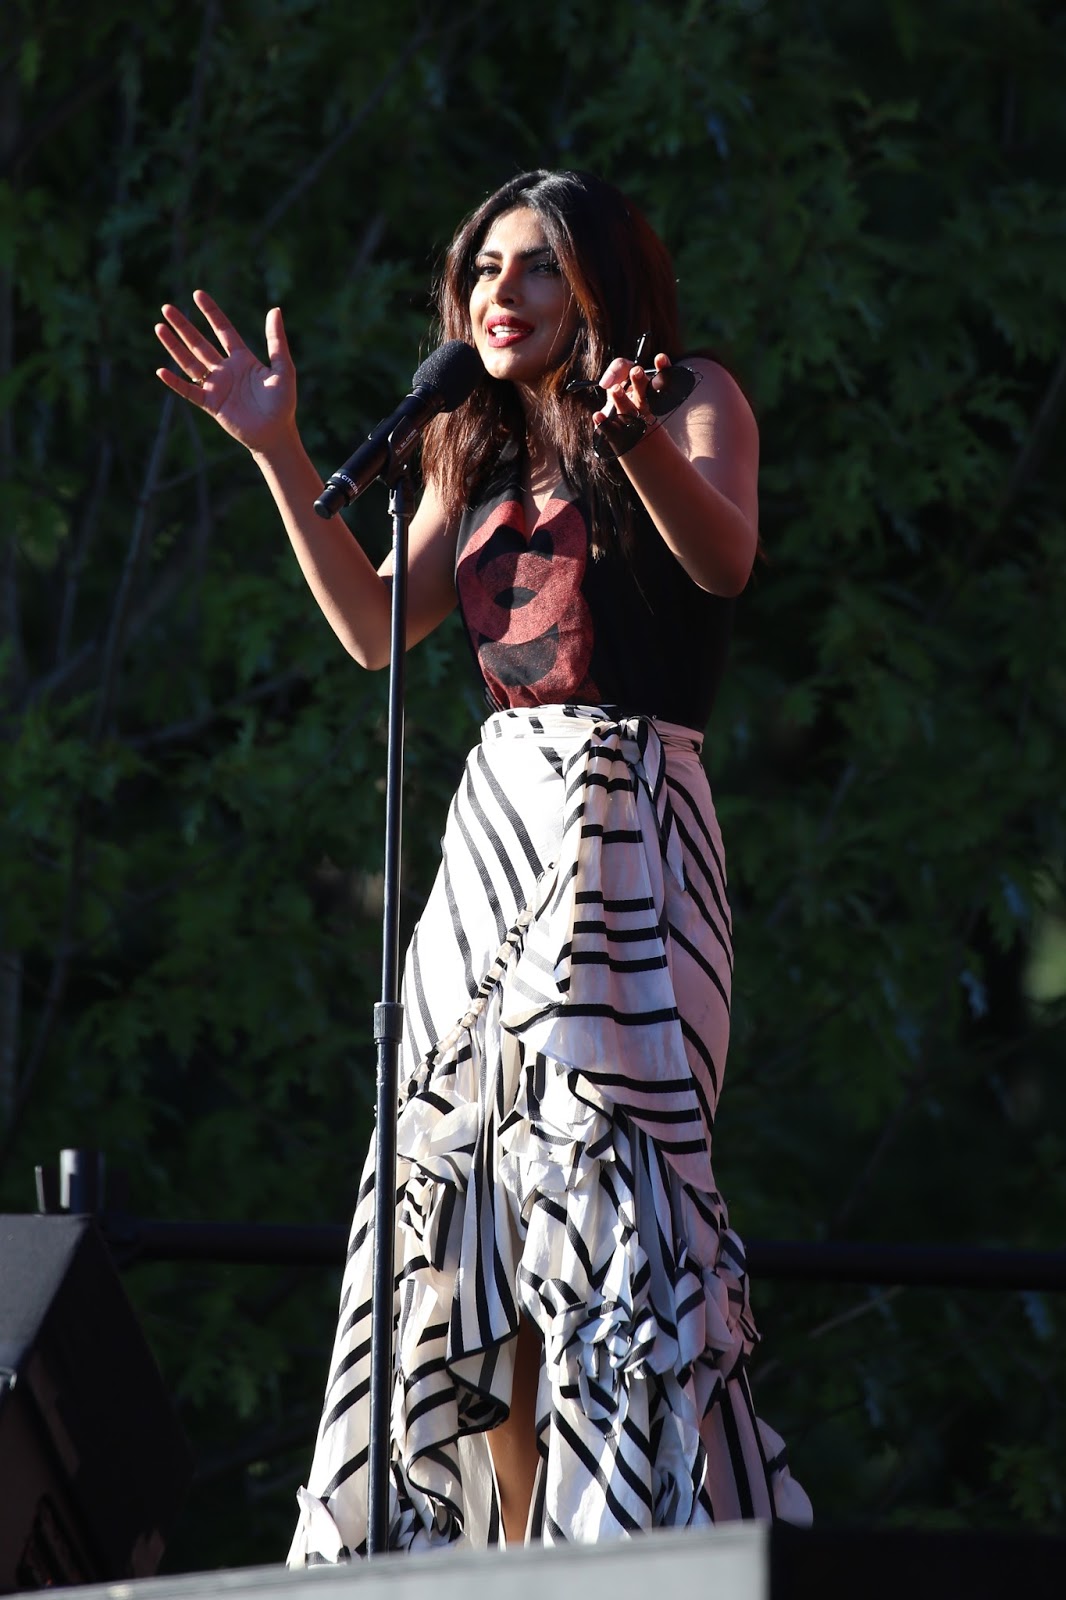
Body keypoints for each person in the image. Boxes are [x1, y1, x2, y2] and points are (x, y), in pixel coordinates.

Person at [155, 168, 812, 1556]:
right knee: (463, 1202)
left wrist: (631, 443)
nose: (497, 297)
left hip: (628, 811)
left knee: (602, 1178)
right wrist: (278, 451)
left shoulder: (691, 395)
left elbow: (725, 563)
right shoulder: (464, 442)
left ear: (598, 284)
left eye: (533, 269)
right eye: (481, 273)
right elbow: (374, 630)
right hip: (498, 826)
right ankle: (505, 1553)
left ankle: (626, 1534)